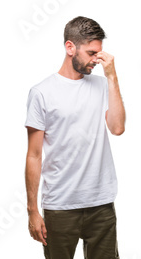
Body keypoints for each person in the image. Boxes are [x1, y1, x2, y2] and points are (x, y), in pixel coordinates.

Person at [24, 16, 123, 259]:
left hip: (101, 204)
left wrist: (112, 76)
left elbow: (118, 127)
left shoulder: (102, 85)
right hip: (60, 207)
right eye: (91, 53)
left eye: (99, 54)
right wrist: (33, 211)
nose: (96, 60)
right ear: (70, 48)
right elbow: (34, 155)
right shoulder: (41, 93)